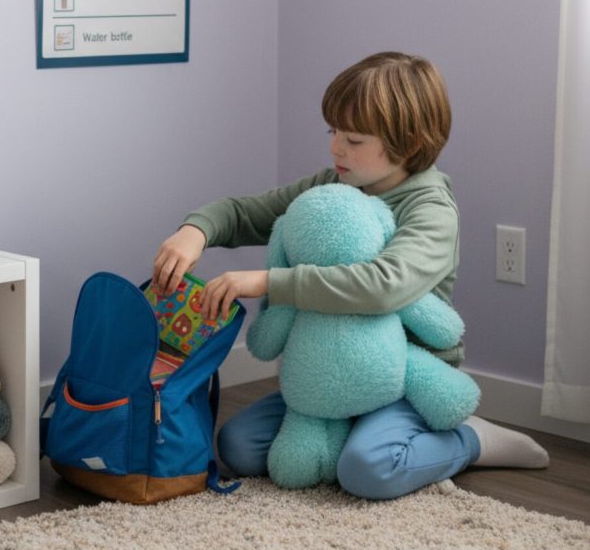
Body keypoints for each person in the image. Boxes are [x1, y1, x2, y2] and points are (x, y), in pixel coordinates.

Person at [152, 51, 548, 499]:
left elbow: (383, 286)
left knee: (368, 471)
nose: (336, 147)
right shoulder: (334, 184)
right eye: (333, 131)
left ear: (410, 145)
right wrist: (195, 231)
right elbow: (245, 212)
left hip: (401, 377)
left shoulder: (431, 209)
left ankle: (469, 441)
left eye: (354, 139)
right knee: (238, 448)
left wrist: (269, 283)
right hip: (328, 372)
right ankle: (347, 431)